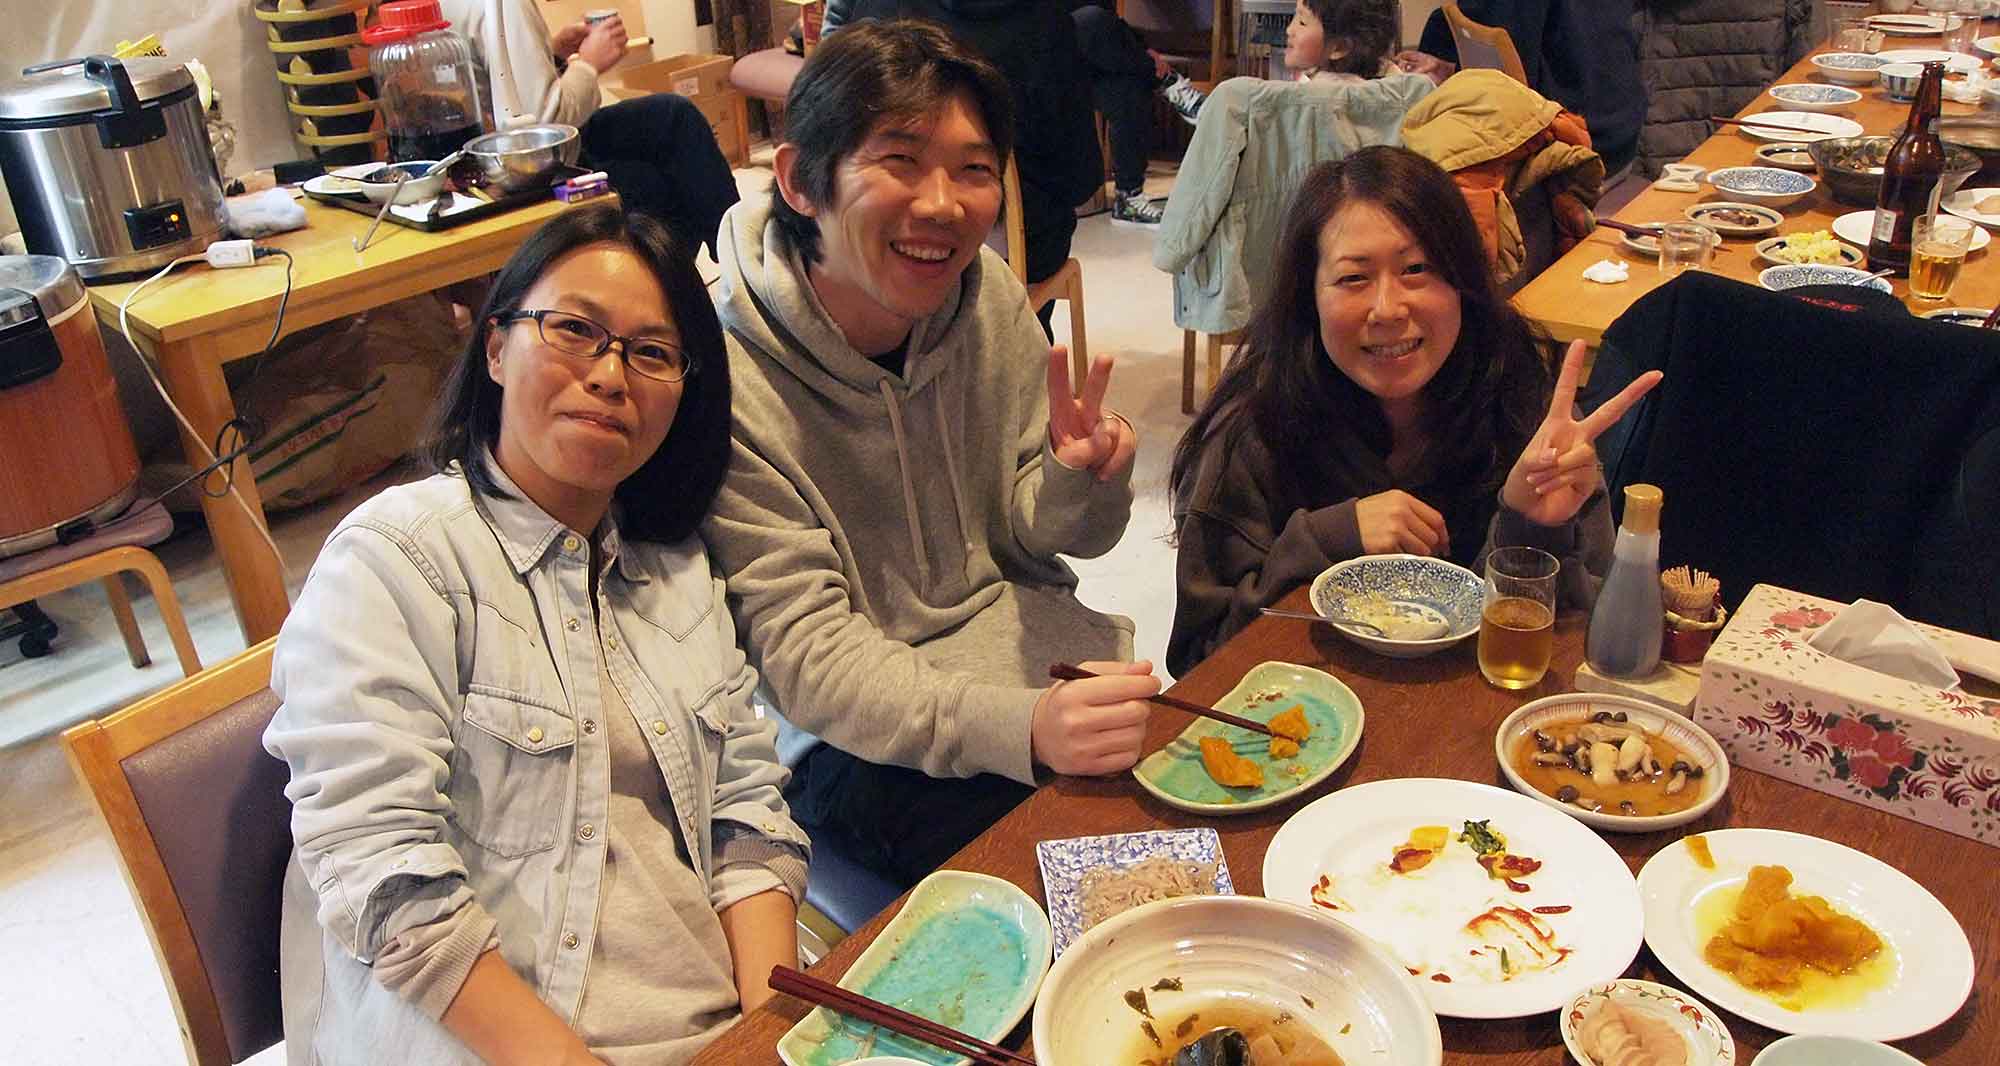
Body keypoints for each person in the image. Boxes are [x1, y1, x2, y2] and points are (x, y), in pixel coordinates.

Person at [265, 205, 807, 1066]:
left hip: (706, 1021)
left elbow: (746, 814)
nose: (610, 375)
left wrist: (775, 1033)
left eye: (652, 352)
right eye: (575, 330)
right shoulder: (396, 559)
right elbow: (384, 879)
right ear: (494, 347)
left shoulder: (676, 572)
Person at [704, 19, 1159, 888]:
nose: (944, 204)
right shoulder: (726, 379)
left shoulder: (984, 296)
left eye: (973, 169)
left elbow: (1049, 538)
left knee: (1181, 813)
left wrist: (1078, 478)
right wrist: (1023, 729)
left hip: (1024, 657)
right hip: (846, 741)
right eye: (901, 161)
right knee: (1085, 884)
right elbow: (807, 657)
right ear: (800, 181)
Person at [1166, 146, 1662, 674]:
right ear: (1308, 297)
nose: (1388, 309)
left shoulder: (1520, 401)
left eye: (1417, 269)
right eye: (1353, 278)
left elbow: (1590, 646)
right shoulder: (1255, 426)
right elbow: (1200, 660)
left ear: (1463, 281)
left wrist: (1530, 528)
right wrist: (1329, 539)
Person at [824, 1, 1102, 282]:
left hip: (869, 240)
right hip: (1014, 251)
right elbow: (1080, 179)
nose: (939, 205)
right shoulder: (1047, 25)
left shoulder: (870, 11)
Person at [439, 0, 739, 257]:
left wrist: (553, 54)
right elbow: (543, 126)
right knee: (657, 187)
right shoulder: (506, 6)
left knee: (672, 115)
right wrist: (587, 64)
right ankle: (732, 267)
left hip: (502, 153)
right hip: (521, 169)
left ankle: (739, 258)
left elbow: (505, 86)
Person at [1401, 0, 1643, 176]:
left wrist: (1449, 70)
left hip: (1586, 147)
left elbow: (1512, 85)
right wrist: (1450, 66)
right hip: (1618, 127)